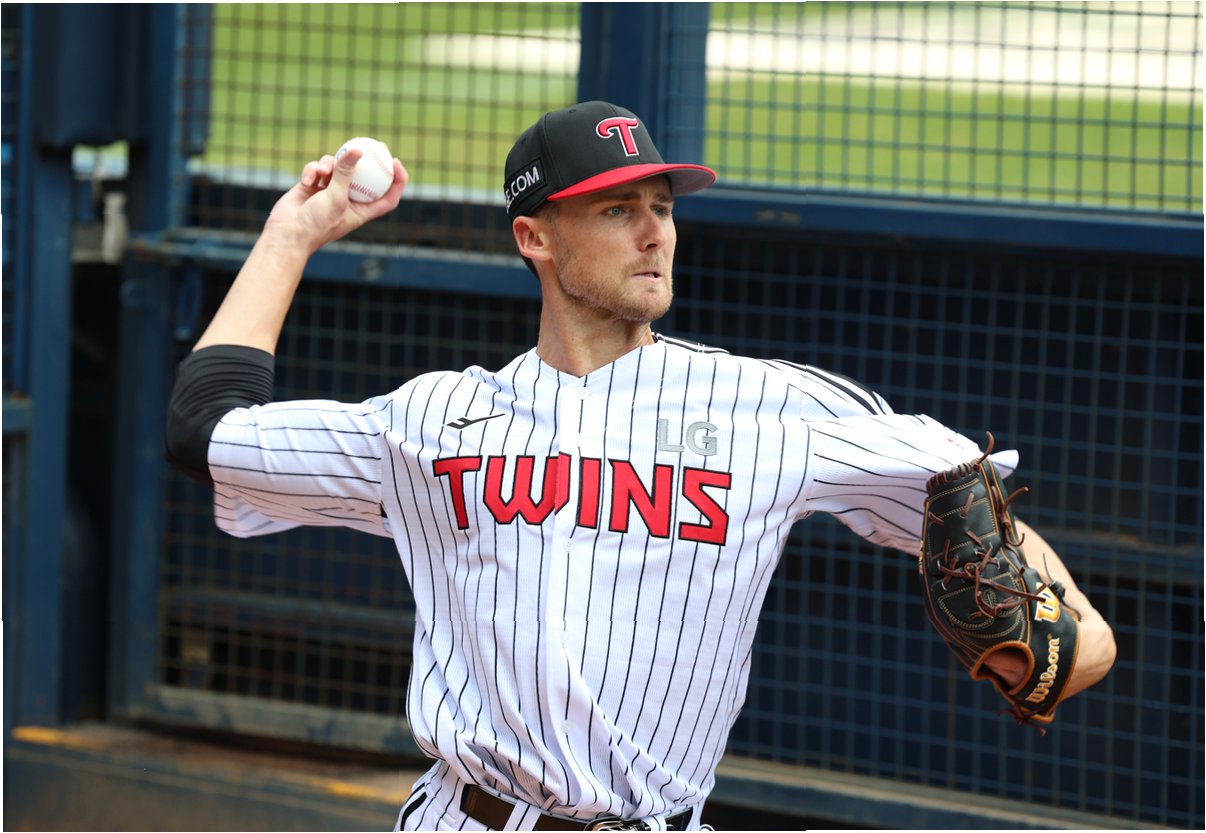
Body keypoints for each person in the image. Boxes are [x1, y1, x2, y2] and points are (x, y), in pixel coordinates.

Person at [165, 101, 1116, 831]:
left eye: (661, 207)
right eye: (618, 209)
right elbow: (204, 429)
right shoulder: (432, 421)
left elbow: (960, 487)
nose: (655, 232)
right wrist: (291, 234)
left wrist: (1082, 630)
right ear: (535, 237)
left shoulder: (773, 407)